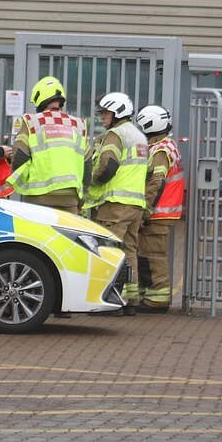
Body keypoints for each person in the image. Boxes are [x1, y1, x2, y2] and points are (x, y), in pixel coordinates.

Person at [84, 92, 148, 316]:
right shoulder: (139, 136)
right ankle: (130, 300)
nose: (102, 118)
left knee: (109, 251)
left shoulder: (115, 135)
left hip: (115, 204)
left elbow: (107, 166)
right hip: (135, 204)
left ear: (117, 113)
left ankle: (111, 300)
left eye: (105, 113)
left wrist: (90, 181)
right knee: (129, 251)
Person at [7, 76, 90, 214]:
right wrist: (82, 198)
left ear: (39, 99)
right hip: (70, 198)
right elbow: (87, 166)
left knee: (37, 235)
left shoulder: (31, 122)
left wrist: (22, 182)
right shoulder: (78, 125)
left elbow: (19, 158)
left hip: (38, 198)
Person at [134, 105, 184, 313]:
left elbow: (157, 182)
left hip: (159, 211)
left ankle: (158, 300)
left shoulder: (160, 150)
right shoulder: (166, 145)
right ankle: (150, 295)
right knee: (146, 253)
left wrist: (145, 210)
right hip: (162, 210)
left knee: (153, 255)